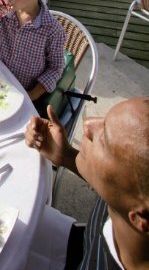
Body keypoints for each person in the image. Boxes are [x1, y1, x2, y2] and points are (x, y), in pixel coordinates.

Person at [25, 98, 149, 269]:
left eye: (105, 140)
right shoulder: (124, 197)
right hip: (79, 243)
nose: (88, 124)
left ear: (140, 218)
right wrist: (67, 156)